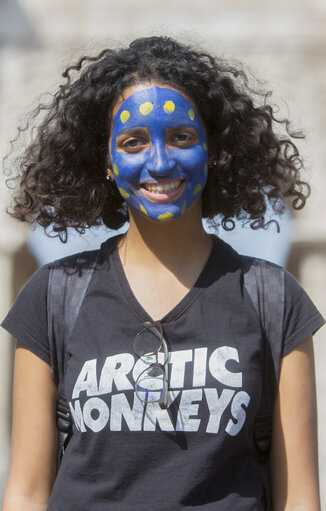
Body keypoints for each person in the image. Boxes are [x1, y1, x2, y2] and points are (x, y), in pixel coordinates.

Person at [1, 35, 325, 511]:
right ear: (108, 162)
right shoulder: (51, 297)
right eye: (133, 142)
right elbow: (26, 493)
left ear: (213, 150)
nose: (159, 162)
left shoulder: (275, 299)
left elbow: (300, 498)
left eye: (182, 137)